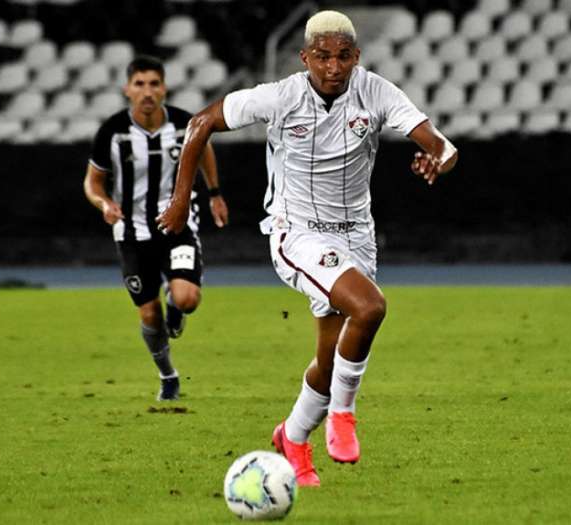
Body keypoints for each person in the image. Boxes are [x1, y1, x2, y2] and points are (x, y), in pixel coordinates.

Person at [157, 10, 457, 485]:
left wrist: (438, 159)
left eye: (342, 57)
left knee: (329, 358)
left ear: (356, 56)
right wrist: (180, 199)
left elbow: (438, 141)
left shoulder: (376, 91)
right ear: (305, 58)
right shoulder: (280, 96)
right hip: (296, 231)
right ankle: (343, 416)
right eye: (322, 57)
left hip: (357, 234)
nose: (333, 67)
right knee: (370, 308)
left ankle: (292, 438)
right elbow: (200, 123)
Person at [84, 55, 229, 401]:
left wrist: (214, 193)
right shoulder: (112, 132)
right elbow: (93, 182)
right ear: (127, 90)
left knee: (187, 298)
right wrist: (104, 204)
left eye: (154, 84)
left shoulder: (184, 123)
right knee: (149, 313)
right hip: (131, 233)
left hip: (177, 225)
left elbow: (204, 151)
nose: (147, 92)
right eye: (140, 84)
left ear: (164, 88)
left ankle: (176, 306)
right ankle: (168, 376)